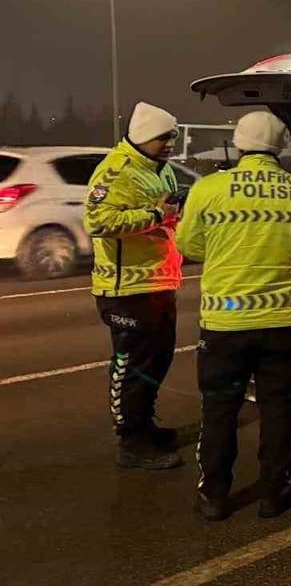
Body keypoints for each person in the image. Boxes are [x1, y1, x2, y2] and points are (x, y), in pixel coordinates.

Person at [177, 112, 291, 521]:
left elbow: (189, 246)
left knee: (219, 409)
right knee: (277, 408)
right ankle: (273, 494)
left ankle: (214, 497)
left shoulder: (208, 189)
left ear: (239, 144)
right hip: (281, 323)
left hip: (225, 323)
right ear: (279, 147)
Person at [84, 102, 185, 470]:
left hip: (158, 282)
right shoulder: (117, 171)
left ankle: (144, 424)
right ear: (143, 135)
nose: (170, 143)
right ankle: (131, 441)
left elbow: (167, 214)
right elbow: (98, 221)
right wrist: (156, 214)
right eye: (163, 137)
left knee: (158, 360)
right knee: (133, 367)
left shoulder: (161, 168)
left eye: (173, 136)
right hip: (126, 290)